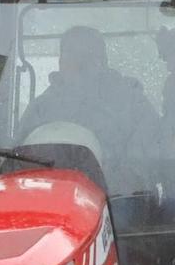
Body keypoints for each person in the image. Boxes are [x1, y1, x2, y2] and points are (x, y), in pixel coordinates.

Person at [18, 25, 162, 167]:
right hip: (51, 187)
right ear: (61, 62)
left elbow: (152, 154)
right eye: (71, 54)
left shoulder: (132, 103)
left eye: (87, 55)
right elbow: (16, 159)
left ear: (103, 62)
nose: (80, 63)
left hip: (119, 189)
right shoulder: (41, 108)